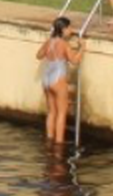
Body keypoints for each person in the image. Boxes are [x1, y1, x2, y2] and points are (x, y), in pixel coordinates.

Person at [37, 16, 86, 145]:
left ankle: (49, 139)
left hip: (46, 78)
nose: (71, 30)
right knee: (62, 113)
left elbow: (39, 55)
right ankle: (58, 144)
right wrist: (82, 48)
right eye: (70, 28)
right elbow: (74, 61)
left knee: (51, 112)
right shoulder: (64, 44)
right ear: (63, 29)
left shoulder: (49, 41)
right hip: (58, 79)